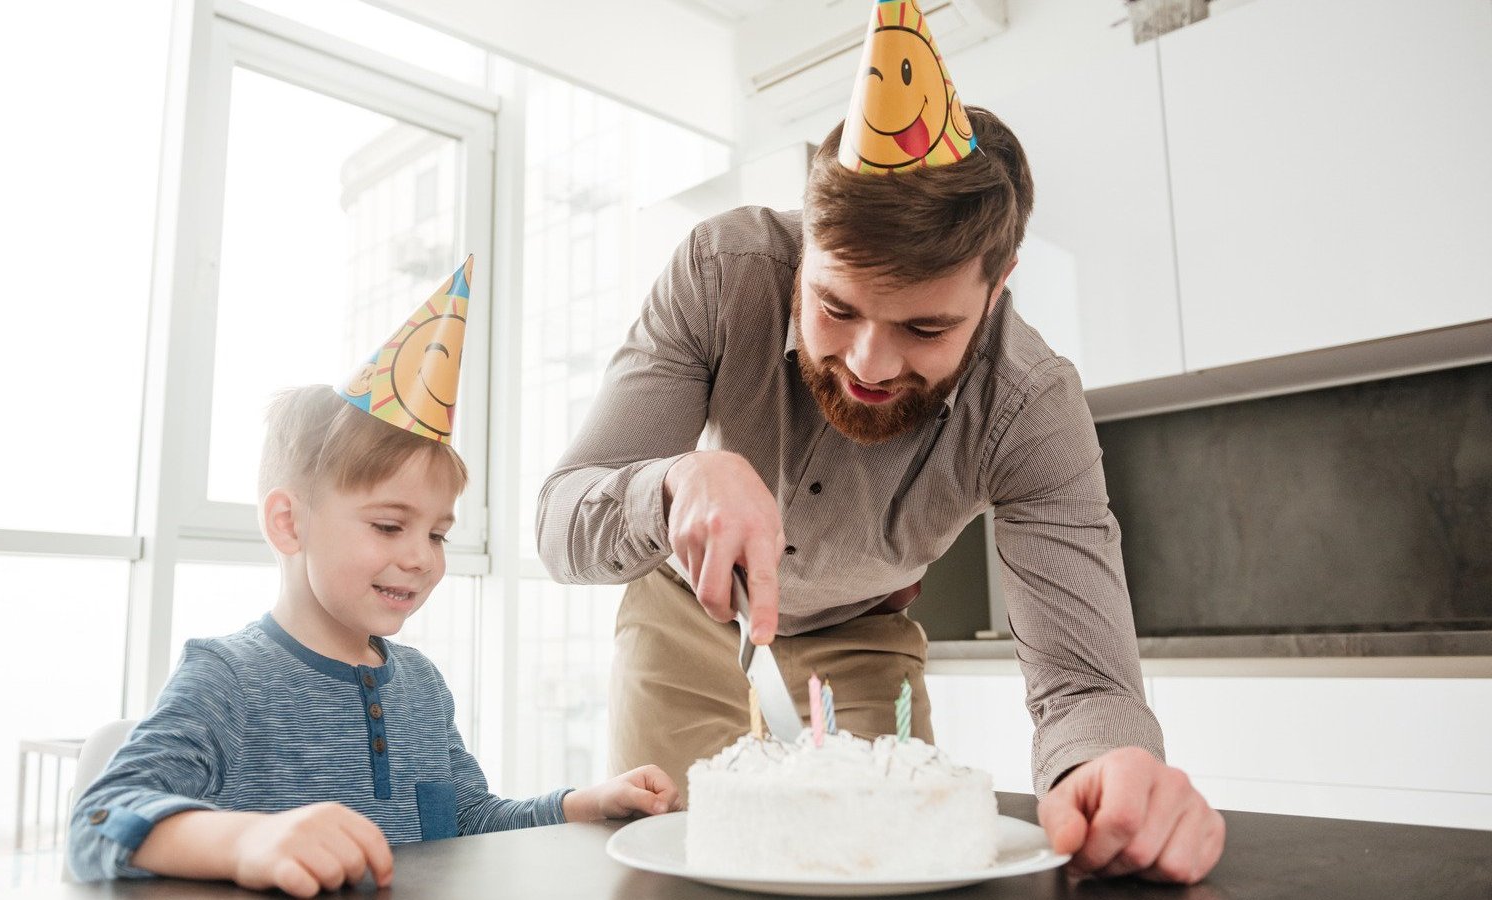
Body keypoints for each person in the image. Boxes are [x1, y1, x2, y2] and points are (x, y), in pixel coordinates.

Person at [536, 0, 1223, 884]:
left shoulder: (1032, 407)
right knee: (682, 870)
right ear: (806, 242)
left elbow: (1086, 686)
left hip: (866, 630)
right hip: (687, 612)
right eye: (835, 306)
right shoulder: (721, 273)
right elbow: (560, 523)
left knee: (885, 866)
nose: (866, 362)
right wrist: (670, 484)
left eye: (926, 328)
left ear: (1000, 281)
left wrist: (1109, 769)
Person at [70, 260, 676, 897]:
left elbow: (465, 822)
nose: (422, 558)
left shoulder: (420, 686)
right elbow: (99, 820)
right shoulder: (226, 679)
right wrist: (247, 839)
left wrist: (578, 804)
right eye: (389, 526)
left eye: (438, 533)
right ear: (288, 523)